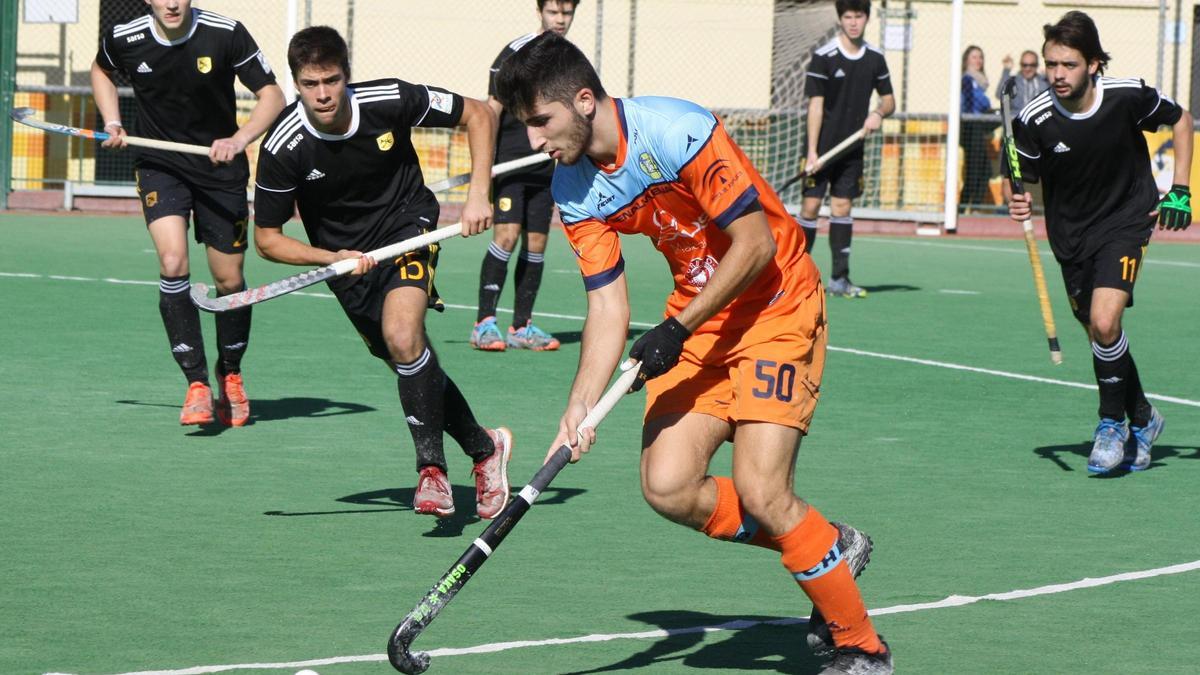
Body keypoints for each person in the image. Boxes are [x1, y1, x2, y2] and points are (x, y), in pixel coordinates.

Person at [497, 32, 893, 674]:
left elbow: (756, 244)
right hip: (701, 319)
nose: (536, 141)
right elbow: (608, 306)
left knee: (762, 492)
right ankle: (828, 545)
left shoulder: (675, 129)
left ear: (585, 100)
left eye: (541, 122)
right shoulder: (572, 189)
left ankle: (862, 647)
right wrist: (577, 407)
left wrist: (677, 329)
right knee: (669, 485)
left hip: (776, 304)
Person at [252, 26, 513, 519]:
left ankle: (431, 472)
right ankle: (486, 449)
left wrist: (478, 193)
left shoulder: (388, 99)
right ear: (296, 84)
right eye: (311, 84)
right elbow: (267, 239)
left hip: (407, 226)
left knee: (401, 333)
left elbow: (477, 113)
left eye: (331, 80)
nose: (323, 94)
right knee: (408, 358)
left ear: (347, 75)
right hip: (345, 262)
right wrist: (330, 259)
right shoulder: (283, 147)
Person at [1007, 11, 1191, 474]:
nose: (1056, 75)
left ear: (1092, 63)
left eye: (1067, 65)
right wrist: (1021, 202)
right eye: (1051, 65)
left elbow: (1183, 120)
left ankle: (1111, 424)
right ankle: (1144, 418)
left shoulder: (1127, 96)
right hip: (1070, 236)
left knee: (1105, 321)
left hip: (1127, 221)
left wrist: (1181, 189)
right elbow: (1024, 180)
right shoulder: (1033, 119)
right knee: (1098, 333)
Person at [91, 0, 285, 426]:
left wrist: (240, 138)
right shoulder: (127, 37)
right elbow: (100, 70)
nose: (172, 3)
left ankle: (229, 373)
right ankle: (196, 383)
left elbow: (272, 95)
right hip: (160, 164)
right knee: (173, 260)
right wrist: (113, 120)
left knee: (228, 279)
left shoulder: (225, 32)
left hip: (220, 168)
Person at [469, 0, 578, 351]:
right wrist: (484, 167)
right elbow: (490, 112)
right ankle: (484, 323)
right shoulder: (515, 53)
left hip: (546, 165)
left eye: (567, 13)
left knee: (537, 244)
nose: (560, 20)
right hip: (510, 161)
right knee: (506, 235)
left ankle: (521, 326)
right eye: (554, 12)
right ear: (540, 11)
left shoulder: (569, 59)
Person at [798, 0, 894, 299]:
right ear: (840, 19)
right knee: (810, 207)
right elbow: (816, 106)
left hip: (852, 149)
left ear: (867, 18)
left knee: (842, 208)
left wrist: (878, 113)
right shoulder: (823, 57)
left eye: (859, 16)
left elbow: (889, 100)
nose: (853, 22)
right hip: (821, 148)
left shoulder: (875, 58)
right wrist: (812, 151)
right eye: (848, 16)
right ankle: (795, 278)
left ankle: (840, 279)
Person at [960, 44, 997, 209]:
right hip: (970, 127)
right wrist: (987, 106)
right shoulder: (968, 79)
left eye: (980, 57)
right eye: (974, 57)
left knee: (984, 171)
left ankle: (972, 206)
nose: (978, 60)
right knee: (975, 171)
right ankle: (964, 207)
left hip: (978, 127)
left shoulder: (980, 81)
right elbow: (979, 102)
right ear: (966, 60)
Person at [996, 50, 1049, 117]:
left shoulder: (1044, 82)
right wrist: (1006, 70)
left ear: (1037, 65)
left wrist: (1050, 75)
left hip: (1038, 121)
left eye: (1032, 65)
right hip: (1017, 120)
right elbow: (999, 95)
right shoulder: (1013, 82)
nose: (1028, 68)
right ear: (1020, 65)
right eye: (1024, 65)